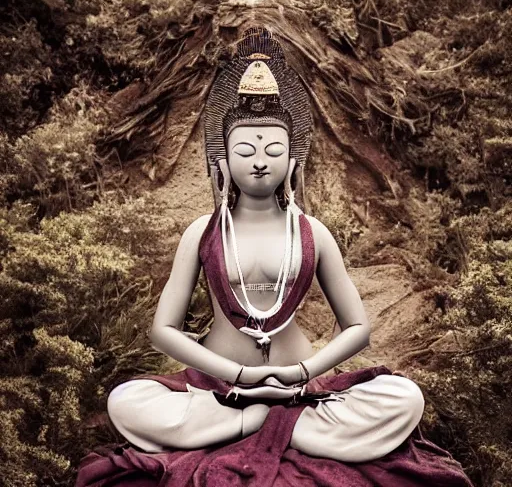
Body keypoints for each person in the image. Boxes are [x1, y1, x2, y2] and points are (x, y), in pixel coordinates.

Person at [105, 26, 426, 462]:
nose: (259, 161)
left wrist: (300, 372)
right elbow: (163, 330)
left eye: (274, 149)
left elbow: (358, 327)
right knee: (125, 400)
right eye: (246, 151)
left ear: (293, 161)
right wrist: (237, 375)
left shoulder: (313, 232)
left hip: (298, 387)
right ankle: (257, 422)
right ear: (223, 162)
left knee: (404, 396)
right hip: (221, 388)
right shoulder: (203, 231)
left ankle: (277, 421)